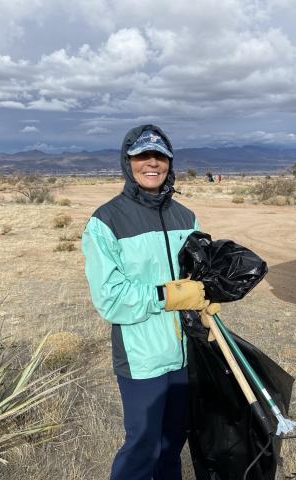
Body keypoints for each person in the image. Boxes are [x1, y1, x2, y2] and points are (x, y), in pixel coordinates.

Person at [82, 125, 209, 480]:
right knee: (143, 446)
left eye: (160, 156)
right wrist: (166, 295)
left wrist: (208, 296)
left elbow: (200, 275)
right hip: (141, 358)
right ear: (128, 162)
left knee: (173, 444)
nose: (151, 163)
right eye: (142, 156)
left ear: (170, 163)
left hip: (185, 354)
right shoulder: (106, 222)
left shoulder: (187, 217)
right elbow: (111, 299)